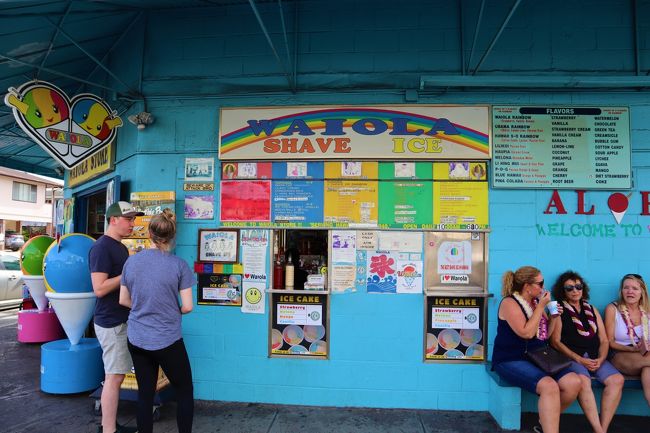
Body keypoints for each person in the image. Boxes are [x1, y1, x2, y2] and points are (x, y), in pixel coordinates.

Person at [119, 209, 195, 433]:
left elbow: (124, 299)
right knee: (184, 391)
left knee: (145, 394)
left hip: (137, 338)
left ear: (149, 233)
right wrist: (169, 310)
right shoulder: (179, 265)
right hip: (168, 339)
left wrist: (145, 307)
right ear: (172, 236)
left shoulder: (131, 263)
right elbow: (188, 306)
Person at [492, 266, 581, 433]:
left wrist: (554, 317)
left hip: (537, 355)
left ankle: (545, 420)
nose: (543, 287)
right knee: (549, 386)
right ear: (527, 286)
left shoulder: (534, 302)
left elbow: (544, 335)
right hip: (511, 358)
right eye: (540, 283)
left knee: (574, 383)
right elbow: (526, 333)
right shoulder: (509, 302)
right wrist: (541, 307)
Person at [89, 201, 143, 433]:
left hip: (122, 318)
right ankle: (109, 430)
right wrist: (127, 273)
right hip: (111, 322)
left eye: (133, 219)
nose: (133, 224)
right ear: (113, 220)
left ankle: (109, 425)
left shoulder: (120, 247)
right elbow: (99, 288)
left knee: (117, 375)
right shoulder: (102, 247)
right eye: (128, 219)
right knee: (114, 377)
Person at [550, 271, 624, 433]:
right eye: (569, 288)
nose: (575, 290)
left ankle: (603, 427)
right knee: (584, 382)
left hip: (594, 356)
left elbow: (604, 340)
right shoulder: (559, 310)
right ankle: (598, 430)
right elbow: (555, 342)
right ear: (563, 291)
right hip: (572, 357)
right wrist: (579, 359)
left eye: (578, 286)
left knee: (617, 380)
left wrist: (602, 358)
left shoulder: (591, 309)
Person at [604, 273, 650, 407]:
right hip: (619, 354)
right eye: (626, 288)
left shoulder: (647, 311)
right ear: (621, 291)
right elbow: (610, 342)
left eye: (635, 288)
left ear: (642, 292)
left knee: (648, 372)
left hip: (644, 356)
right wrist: (633, 349)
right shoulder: (613, 309)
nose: (630, 291)